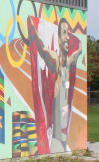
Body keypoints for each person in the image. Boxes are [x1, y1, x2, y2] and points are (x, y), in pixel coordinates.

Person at [30, 17, 82, 153]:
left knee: (62, 137)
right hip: (57, 117)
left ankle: (60, 146)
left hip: (64, 115)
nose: (68, 38)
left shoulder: (69, 61)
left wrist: (81, 45)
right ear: (58, 39)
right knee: (57, 141)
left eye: (68, 33)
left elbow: (78, 52)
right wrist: (35, 31)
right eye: (64, 33)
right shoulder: (57, 61)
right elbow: (43, 49)